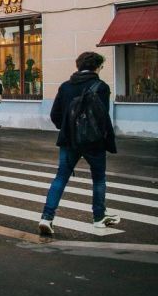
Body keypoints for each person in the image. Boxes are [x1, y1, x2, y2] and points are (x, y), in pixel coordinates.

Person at [38, 52, 120, 235]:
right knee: (98, 179)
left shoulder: (65, 86)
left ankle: (46, 218)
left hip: (69, 141)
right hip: (94, 142)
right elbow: (102, 117)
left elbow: (55, 115)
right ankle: (99, 217)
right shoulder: (101, 87)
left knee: (60, 178)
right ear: (96, 67)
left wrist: (68, 128)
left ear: (79, 66)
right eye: (101, 66)